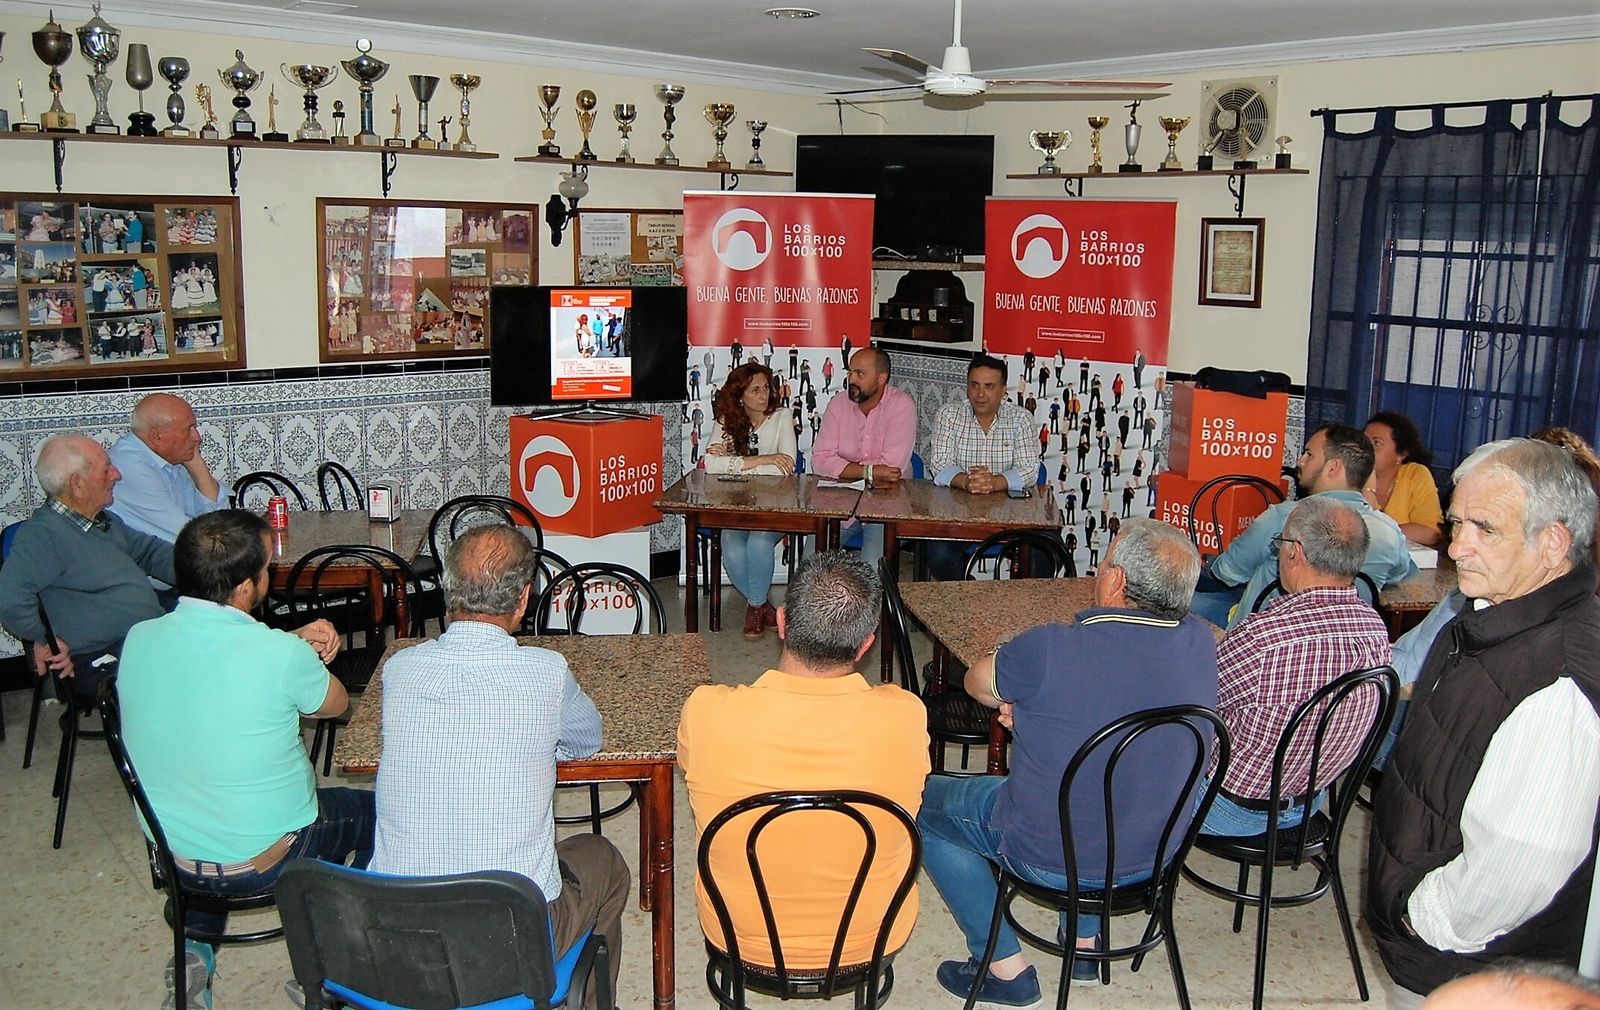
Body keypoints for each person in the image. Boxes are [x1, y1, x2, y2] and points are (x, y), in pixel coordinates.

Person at [919, 519, 1219, 1004]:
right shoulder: (1201, 641)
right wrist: (1040, 716)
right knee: (1109, 784)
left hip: (1047, 854)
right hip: (1156, 853)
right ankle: (1082, 942)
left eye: (1103, 564)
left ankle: (1003, 966)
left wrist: (1024, 699)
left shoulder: (1050, 647)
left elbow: (977, 684)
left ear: (1117, 581)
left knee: (921, 805)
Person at [1368, 438, 1600, 1004]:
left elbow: (1523, 864)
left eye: (1485, 529)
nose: (1458, 547)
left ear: (1552, 543)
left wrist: (1422, 920)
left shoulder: (1557, 681)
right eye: (1456, 523)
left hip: (1466, 965)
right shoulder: (1483, 617)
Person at [117, 509, 369, 1010]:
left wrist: (290, 642)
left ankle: (193, 954)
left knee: (210, 815)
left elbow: (214, 662)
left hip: (173, 854)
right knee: (382, 813)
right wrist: (300, 652)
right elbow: (336, 704)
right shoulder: (277, 656)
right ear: (245, 588)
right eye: (267, 569)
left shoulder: (138, 639)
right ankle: (335, 969)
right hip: (264, 859)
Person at [371, 524, 626, 1010]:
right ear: (525, 599)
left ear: (448, 590)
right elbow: (588, 738)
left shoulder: (400, 669)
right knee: (604, 859)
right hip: (509, 942)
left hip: (398, 937)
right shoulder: (546, 673)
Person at [677, 552, 929, 972]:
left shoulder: (706, 711)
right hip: (872, 938)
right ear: (866, 643)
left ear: (781, 622)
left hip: (737, 936)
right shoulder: (907, 714)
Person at [1200, 497, 1392, 837]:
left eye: (1280, 543)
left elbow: (1198, 702)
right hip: (1309, 803)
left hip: (1231, 809)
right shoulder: (1374, 628)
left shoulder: (1263, 636)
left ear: (1295, 553)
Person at [1191, 423, 1416, 628]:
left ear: (1333, 467)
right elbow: (1401, 574)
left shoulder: (1285, 517)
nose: (1300, 461)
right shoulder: (1389, 531)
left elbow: (1228, 572)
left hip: (1262, 635)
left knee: (1170, 595)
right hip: (1338, 644)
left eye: (1309, 454)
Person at [0, 434, 175, 697]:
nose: (117, 475)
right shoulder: (43, 535)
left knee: (217, 644)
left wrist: (210, 570)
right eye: (106, 469)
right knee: (200, 669)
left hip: (143, 639)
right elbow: (9, 598)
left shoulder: (104, 522)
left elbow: (151, 552)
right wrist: (45, 639)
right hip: (99, 655)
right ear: (77, 484)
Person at [701, 362, 798, 639]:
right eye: (755, 390)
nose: (763, 395)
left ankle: (755, 610)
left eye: (766, 388)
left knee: (758, 542)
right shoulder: (726, 421)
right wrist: (762, 459)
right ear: (739, 395)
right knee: (730, 547)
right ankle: (762, 605)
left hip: (776, 505)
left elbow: (785, 467)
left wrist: (732, 463)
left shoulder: (782, 417)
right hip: (736, 506)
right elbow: (710, 464)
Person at [925, 354, 1036, 579]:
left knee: (1043, 554)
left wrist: (995, 483)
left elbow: (1030, 468)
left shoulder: (1021, 419)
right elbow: (939, 463)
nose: (980, 394)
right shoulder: (949, 415)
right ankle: (969, 600)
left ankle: (1021, 609)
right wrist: (965, 481)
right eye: (974, 385)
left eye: (989, 386)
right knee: (938, 554)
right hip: (958, 515)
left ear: (1004, 390)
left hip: (1011, 517)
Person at [811, 348, 917, 566]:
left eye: (860, 374)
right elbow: (820, 460)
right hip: (840, 501)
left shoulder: (901, 405)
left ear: (881, 378)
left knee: (870, 566)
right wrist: (869, 471)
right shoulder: (839, 404)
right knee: (811, 561)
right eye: (850, 373)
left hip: (886, 503)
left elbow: (891, 469)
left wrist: (845, 467)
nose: (851, 380)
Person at [107, 393, 225, 543]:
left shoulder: (168, 459)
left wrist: (196, 464)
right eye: (188, 429)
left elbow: (215, 519)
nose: (197, 437)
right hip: (139, 562)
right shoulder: (129, 467)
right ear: (157, 436)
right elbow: (188, 538)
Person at [1363, 410, 1444, 547]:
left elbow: (1430, 533)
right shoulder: (1351, 474)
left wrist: (1379, 533)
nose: (1366, 449)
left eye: (1377, 443)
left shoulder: (1415, 475)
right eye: (1364, 442)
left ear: (1402, 454)